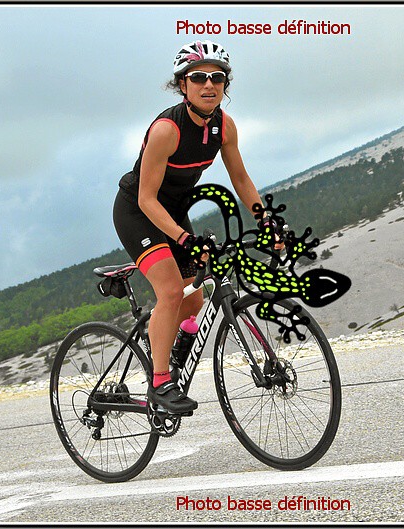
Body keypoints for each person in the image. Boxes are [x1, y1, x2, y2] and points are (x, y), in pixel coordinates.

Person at [113, 40, 283, 414]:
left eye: (217, 78)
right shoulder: (167, 130)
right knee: (172, 291)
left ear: (225, 85)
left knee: (194, 298)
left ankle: (172, 352)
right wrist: (182, 237)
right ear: (183, 85)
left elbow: (241, 179)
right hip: (138, 211)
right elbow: (146, 199)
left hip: (174, 212)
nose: (209, 84)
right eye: (198, 77)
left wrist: (266, 221)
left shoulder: (224, 126)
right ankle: (159, 383)